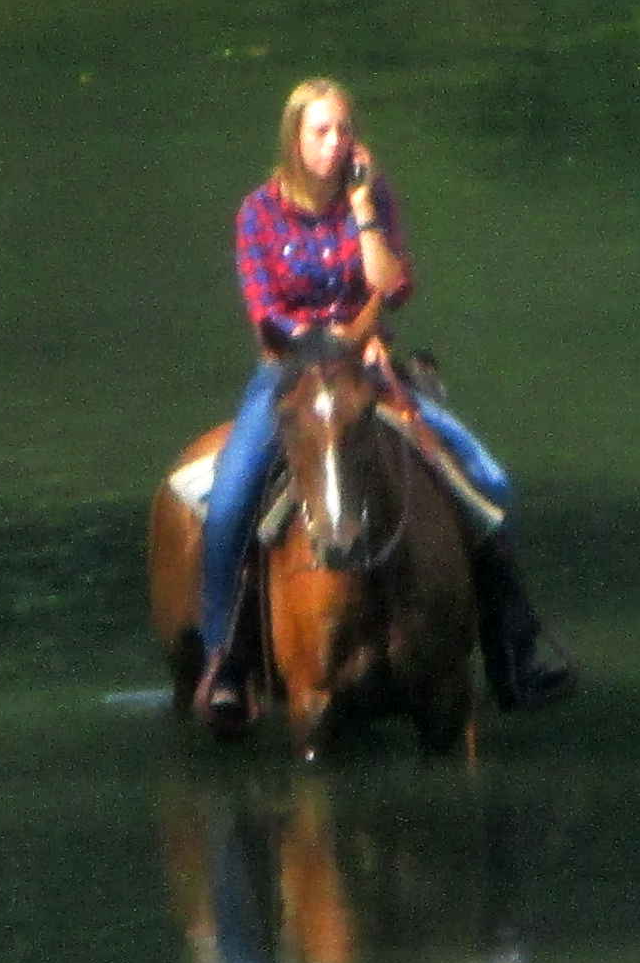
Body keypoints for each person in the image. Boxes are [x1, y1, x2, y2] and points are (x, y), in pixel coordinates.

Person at [192, 77, 575, 724]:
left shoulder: (370, 196)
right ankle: (224, 660)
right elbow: (267, 315)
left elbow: (393, 288)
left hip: (369, 369)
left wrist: (365, 207)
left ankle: (513, 647)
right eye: (321, 131)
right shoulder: (258, 213)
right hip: (292, 373)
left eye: (344, 129)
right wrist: (335, 342)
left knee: (486, 480)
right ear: (295, 138)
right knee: (229, 501)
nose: (336, 143)